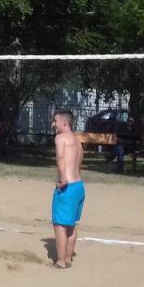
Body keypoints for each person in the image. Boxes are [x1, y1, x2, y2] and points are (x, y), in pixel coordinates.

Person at [51, 110, 85, 269]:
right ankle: (68, 258)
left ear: (65, 123)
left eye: (55, 121)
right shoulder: (78, 142)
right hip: (78, 186)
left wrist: (63, 179)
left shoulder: (60, 138)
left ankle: (60, 261)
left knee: (59, 225)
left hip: (67, 187)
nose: (53, 124)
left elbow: (60, 157)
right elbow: (78, 164)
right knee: (71, 225)